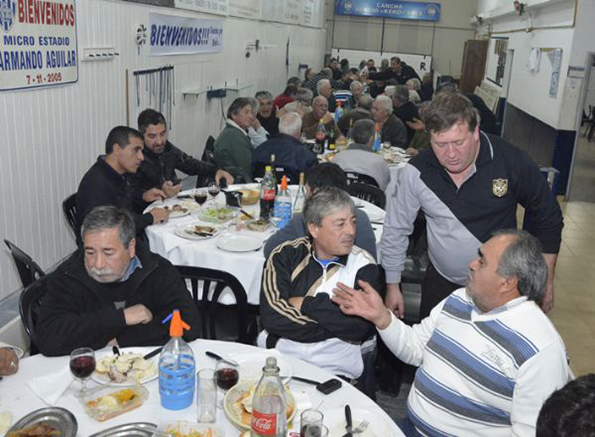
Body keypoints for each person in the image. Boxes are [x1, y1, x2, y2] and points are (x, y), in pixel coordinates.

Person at [334, 230, 571, 436]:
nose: (472, 263)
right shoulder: (460, 300)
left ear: (507, 282)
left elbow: (531, 432)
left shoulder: (540, 349)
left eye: (482, 261)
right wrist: (382, 317)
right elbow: (415, 348)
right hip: (410, 428)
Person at [381, 92, 563, 320]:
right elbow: (396, 228)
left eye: (458, 142)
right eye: (440, 144)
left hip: (499, 287)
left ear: (475, 132)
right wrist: (392, 285)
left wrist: (545, 281)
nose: (450, 154)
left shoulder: (510, 160)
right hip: (440, 283)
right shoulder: (417, 171)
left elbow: (549, 217)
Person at [259, 187, 383, 397]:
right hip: (280, 362)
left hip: (336, 374)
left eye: (353, 221)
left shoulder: (364, 266)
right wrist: (336, 324)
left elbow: (360, 326)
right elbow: (272, 317)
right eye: (340, 224)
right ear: (314, 229)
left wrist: (306, 304)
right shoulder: (285, 255)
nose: (351, 231)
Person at [36, 206, 200, 356]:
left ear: (131, 248)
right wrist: (121, 318)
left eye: (108, 252)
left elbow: (187, 322)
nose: (98, 264)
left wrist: (120, 340)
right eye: (90, 252)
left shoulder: (157, 270)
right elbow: (49, 337)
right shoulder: (69, 275)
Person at [264, 162, 377, 260]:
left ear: (315, 193)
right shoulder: (361, 217)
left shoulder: (304, 219)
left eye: (307, 191)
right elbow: (371, 261)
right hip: (357, 283)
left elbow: (269, 250)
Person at [75, 126, 169, 243]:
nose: (141, 157)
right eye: (136, 150)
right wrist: (150, 218)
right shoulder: (97, 184)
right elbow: (113, 229)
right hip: (107, 251)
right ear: (117, 149)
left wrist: (143, 196)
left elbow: (121, 203)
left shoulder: (114, 172)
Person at [132, 109, 233, 198]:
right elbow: (131, 194)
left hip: (174, 204)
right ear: (141, 136)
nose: (159, 141)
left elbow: (191, 164)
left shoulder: (166, 147)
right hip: (148, 212)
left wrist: (217, 170)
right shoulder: (135, 157)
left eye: (162, 134)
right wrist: (160, 190)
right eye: (152, 136)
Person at [253, 113, 317, 178]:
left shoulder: (260, 149)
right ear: (299, 132)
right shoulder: (306, 156)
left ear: (279, 128)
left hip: (262, 186)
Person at [333, 119, 391, 190]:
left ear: (353, 137)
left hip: (342, 198)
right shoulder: (380, 162)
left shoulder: (338, 157)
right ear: (371, 139)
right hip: (369, 199)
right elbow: (384, 186)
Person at [214, 97, 256, 182]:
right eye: (246, 112)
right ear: (234, 115)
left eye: (251, 112)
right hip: (238, 185)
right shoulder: (235, 137)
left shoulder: (231, 132)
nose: (251, 116)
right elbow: (246, 170)